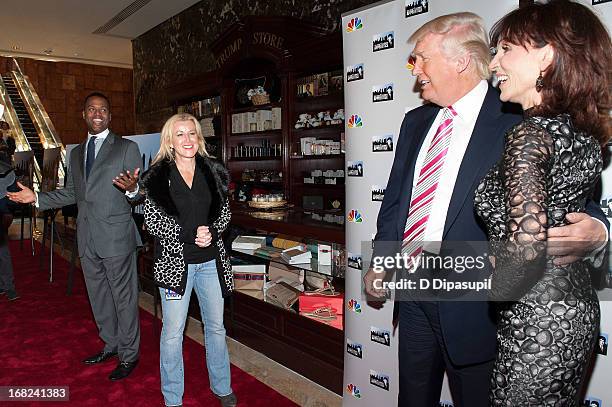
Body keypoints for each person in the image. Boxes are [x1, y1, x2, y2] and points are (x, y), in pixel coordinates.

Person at [363, 12, 609, 407]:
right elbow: (395, 203)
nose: (415, 69)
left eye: (421, 58)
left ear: (459, 60)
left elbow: (571, 191)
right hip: (413, 291)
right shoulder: (414, 121)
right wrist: (381, 260)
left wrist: (599, 227)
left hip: (478, 305)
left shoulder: (519, 115)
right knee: (411, 397)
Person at [475, 1, 611, 404]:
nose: (493, 63)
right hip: (575, 310)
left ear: (546, 56)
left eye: (505, 50)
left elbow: (526, 252)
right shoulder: (582, 134)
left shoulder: (529, 135)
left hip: (537, 322)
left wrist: (487, 282)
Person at [7, 92, 142, 380]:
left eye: (103, 110)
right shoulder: (77, 152)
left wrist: (132, 190)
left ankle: (130, 355)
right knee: (98, 295)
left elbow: (138, 192)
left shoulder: (126, 147)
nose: (97, 113)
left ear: (109, 115)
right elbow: (72, 192)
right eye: (92, 109)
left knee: (124, 298)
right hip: (88, 236)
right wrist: (37, 198)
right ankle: (111, 344)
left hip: (117, 237)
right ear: (83, 114)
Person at [139, 113, 236, 407]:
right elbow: (152, 222)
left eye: (192, 133)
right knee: (173, 333)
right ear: (169, 140)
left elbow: (225, 213)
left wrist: (214, 231)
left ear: (199, 138)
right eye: (180, 134)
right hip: (176, 266)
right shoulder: (158, 175)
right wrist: (188, 234)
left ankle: (222, 387)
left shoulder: (212, 170)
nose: (187, 140)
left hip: (211, 263)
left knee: (216, 328)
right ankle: (172, 398)